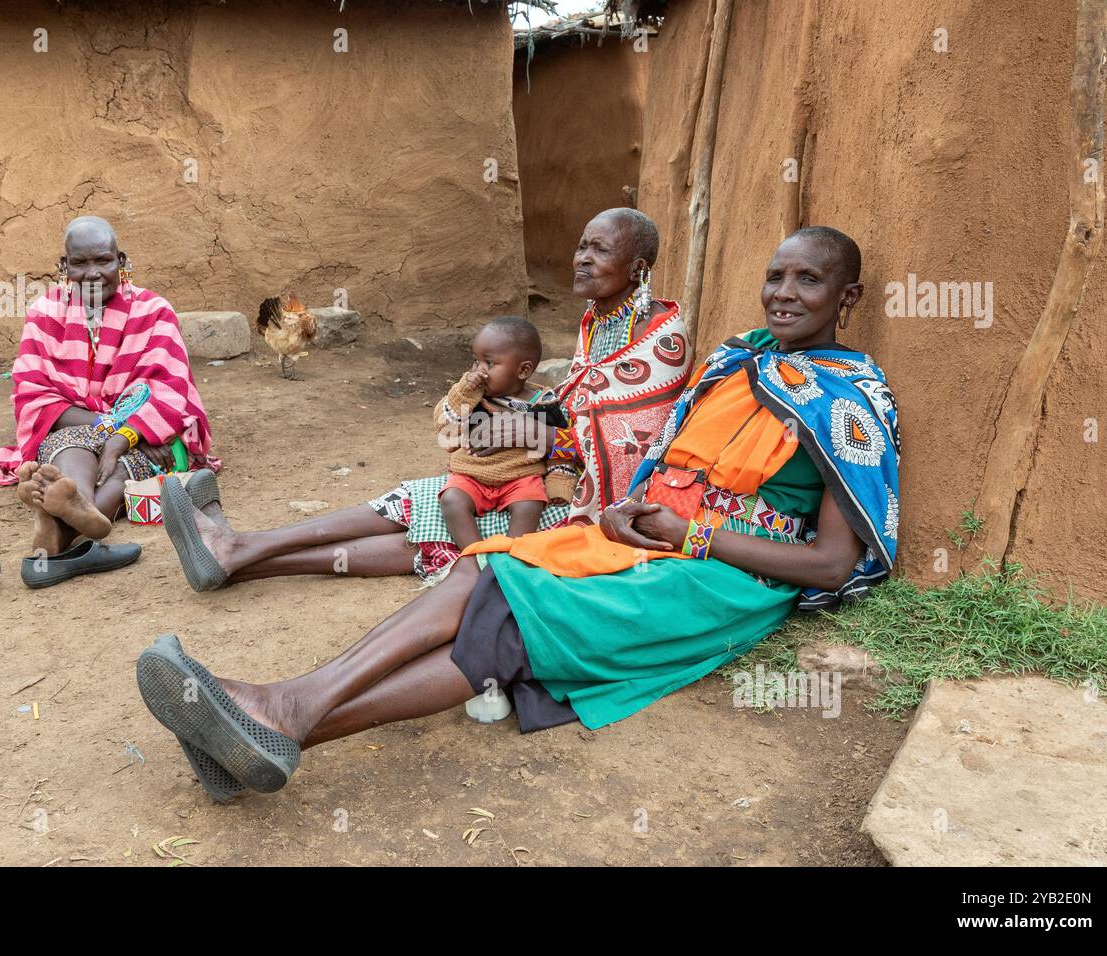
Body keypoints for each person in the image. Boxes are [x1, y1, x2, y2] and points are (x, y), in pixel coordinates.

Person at [136, 226, 902, 800]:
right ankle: (278, 718)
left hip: (724, 576)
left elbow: (832, 564)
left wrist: (691, 531)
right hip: (649, 537)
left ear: (849, 297)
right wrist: (633, 507)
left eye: (808, 280)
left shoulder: (850, 405)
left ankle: (286, 708)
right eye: (776, 277)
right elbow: (652, 452)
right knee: (487, 565)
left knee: (508, 610)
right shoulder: (741, 360)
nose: (783, 293)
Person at [160, 207, 693, 591]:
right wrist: (504, 428)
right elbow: (566, 410)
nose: (581, 258)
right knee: (419, 496)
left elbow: (606, 438)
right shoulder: (599, 319)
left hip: (589, 506)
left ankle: (242, 555)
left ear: (639, 267)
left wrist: (505, 431)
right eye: (582, 245)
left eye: (600, 250)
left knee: (433, 523)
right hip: (537, 466)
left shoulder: (664, 337)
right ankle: (242, 549)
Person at [0, 216, 219, 554]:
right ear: (64, 267)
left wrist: (124, 439)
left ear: (121, 262)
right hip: (90, 429)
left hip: (150, 432)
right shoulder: (45, 312)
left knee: (132, 463)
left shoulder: (154, 311)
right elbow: (35, 398)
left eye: (103, 260)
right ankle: (76, 515)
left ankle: (60, 523)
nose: (92, 273)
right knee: (69, 445)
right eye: (79, 263)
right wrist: (115, 431)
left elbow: (170, 392)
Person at [436, 316, 571, 549]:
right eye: (475, 361)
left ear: (523, 370)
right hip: (471, 476)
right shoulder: (471, 396)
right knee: (451, 499)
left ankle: (512, 554)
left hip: (521, 478)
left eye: (489, 363)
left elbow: (559, 448)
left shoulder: (544, 403)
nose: (479, 371)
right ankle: (475, 553)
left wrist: (559, 483)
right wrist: (464, 391)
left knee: (531, 504)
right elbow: (444, 427)